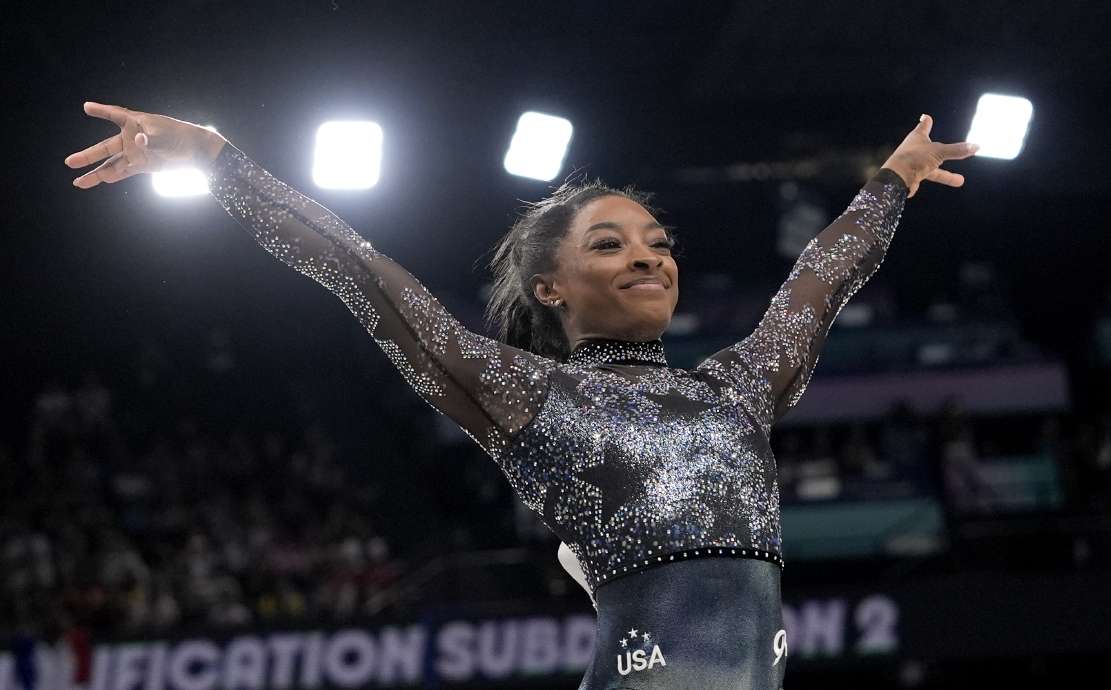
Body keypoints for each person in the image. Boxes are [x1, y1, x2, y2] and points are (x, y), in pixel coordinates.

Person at [65, 100, 975, 688]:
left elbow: (818, 285)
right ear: (550, 287)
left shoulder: (736, 390)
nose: (650, 255)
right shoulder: (527, 394)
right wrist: (223, 162)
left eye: (658, 241)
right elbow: (366, 277)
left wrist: (890, 185)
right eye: (611, 244)